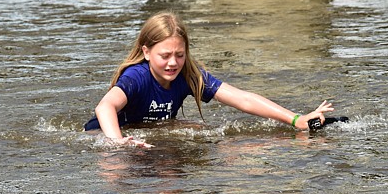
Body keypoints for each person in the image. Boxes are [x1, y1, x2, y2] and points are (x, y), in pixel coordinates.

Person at [84, 12, 341, 147]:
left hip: (150, 132)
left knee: (206, 134)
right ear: (146, 52)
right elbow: (105, 106)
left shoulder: (188, 75)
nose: (173, 62)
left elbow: (242, 98)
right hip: (106, 134)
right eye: (165, 56)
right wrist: (117, 144)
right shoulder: (136, 76)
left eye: (180, 55)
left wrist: (295, 119)